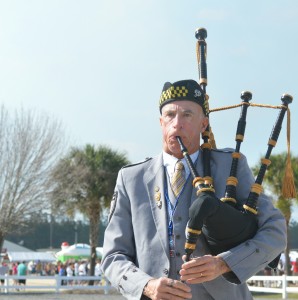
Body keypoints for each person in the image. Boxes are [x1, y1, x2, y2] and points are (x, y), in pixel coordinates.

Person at [101, 79, 287, 300]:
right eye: (170, 115)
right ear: (161, 122)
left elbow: (275, 231)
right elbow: (113, 256)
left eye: (187, 115)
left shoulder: (230, 167)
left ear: (204, 124)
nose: (177, 123)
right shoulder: (132, 178)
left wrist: (224, 263)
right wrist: (147, 285)